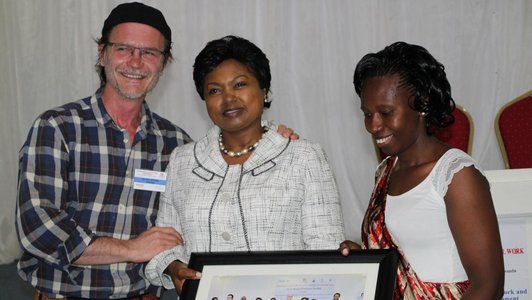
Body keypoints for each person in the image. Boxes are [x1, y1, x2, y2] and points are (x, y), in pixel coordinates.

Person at [15, 3, 296, 300]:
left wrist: (271, 142)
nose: (136, 62)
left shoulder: (177, 144)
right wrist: (131, 249)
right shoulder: (58, 128)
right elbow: (39, 230)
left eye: (149, 53)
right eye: (123, 49)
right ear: (102, 53)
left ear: (164, 63)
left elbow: (216, 201)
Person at [144, 35, 345, 294]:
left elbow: (327, 250)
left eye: (240, 85)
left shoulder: (304, 157)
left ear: (264, 89)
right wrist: (173, 265)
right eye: (214, 90)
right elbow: (166, 242)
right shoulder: (182, 160)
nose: (228, 99)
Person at [340, 41, 504, 299]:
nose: (373, 125)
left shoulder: (456, 175)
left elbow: (489, 285)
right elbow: (408, 255)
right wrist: (365, 256)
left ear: (422, 104)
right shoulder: (386, 171)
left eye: (385, 112)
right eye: (367, 113)